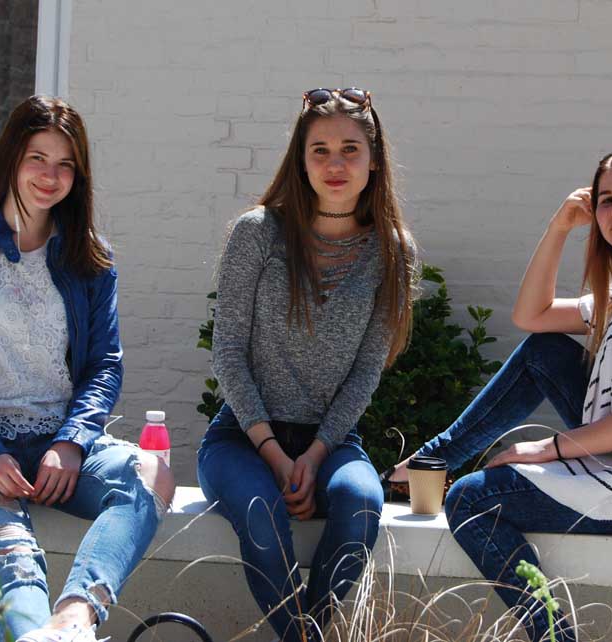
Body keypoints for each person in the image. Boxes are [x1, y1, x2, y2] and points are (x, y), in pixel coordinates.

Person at [384, 146, 612, 641]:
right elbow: (531, 317)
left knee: (471, 500)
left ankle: (555, 636)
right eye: (606, 200)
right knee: (545, 351)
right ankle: (440, 457)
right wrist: (559, 226)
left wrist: (546, 448)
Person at [0, 95, 175, 642]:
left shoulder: (89, 257)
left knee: (151, 474)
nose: (50, 176)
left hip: (60, 446)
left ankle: (75, 619)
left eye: (65, 164)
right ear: (12, 158)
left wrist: (74, 441)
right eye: (38, 158)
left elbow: (104, 365)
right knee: (16, 564)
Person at [197, 88, 416, 641]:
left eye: (350, 149)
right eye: (320, 150)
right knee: (262, 515)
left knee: (363, 504)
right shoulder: (258, 233)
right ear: (301, 159)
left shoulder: (392, 250)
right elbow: (227, 352)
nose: (335, 164)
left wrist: (317, 454)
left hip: (333, 441)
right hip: (243, 439)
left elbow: (369, 367)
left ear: (374, 161)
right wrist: (272, 452)